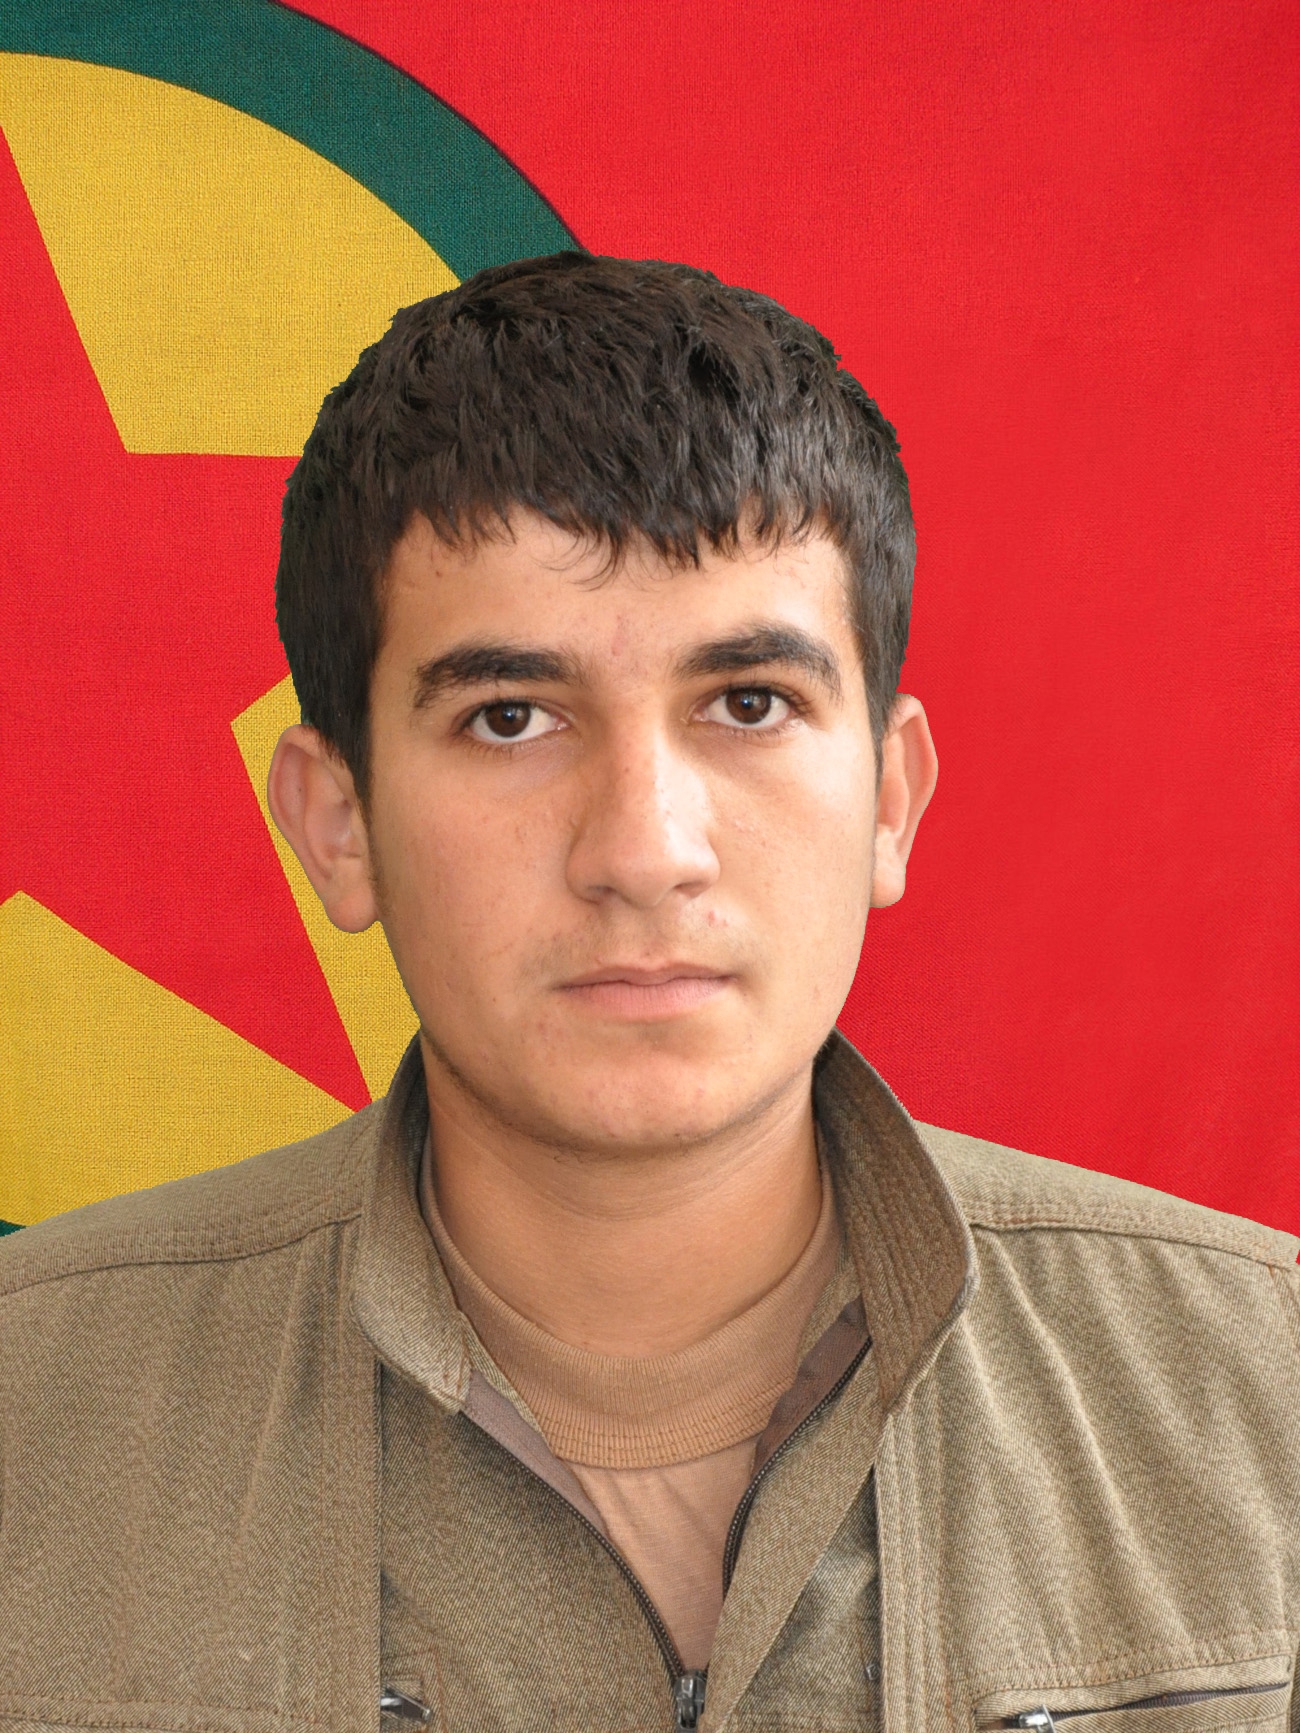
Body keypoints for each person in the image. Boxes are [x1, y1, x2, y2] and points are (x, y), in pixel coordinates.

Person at [1, 253, 1297, 1733]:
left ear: (890, 800)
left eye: (749, 703)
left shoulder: (1269, 1395)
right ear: (338, 820)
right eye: (510, 717)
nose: (643, 850)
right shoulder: (28, 1423)